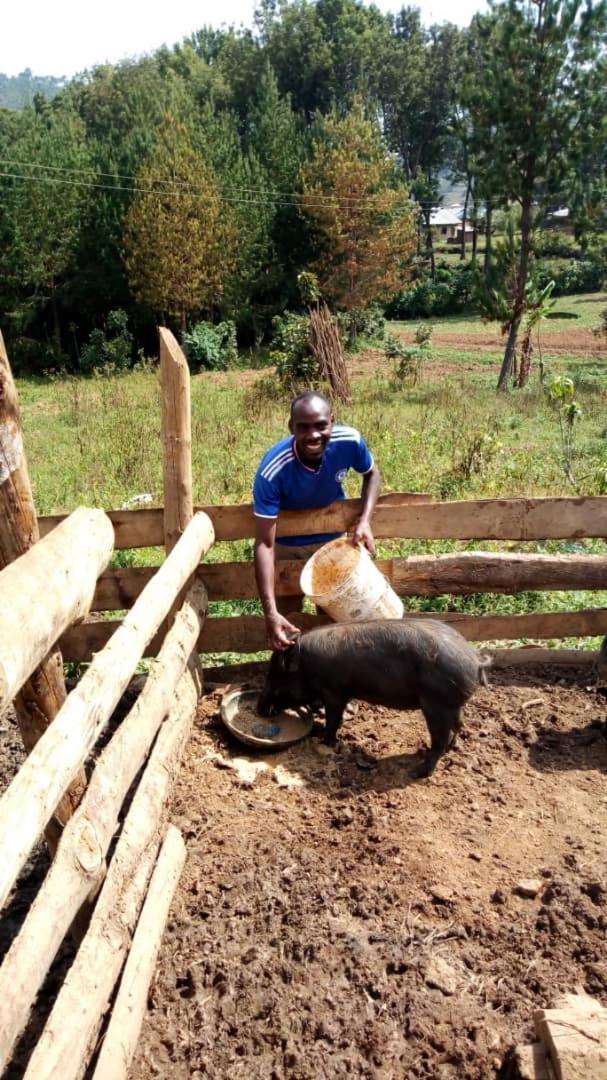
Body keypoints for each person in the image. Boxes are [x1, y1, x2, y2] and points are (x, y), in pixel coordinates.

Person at [253, 390, 381, 651]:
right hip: (289, 546)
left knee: (337, 615)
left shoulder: (350, 442)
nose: (313, 435)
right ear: (291, 428)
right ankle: (294, 677)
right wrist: (270, 612)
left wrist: (365, 520)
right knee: (289, 621)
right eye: (303, 427)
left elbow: (372, 473)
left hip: (333, 542)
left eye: (321, 425)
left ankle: (335, 677)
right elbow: (265, 544)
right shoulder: (273, 470)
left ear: (332, 421)